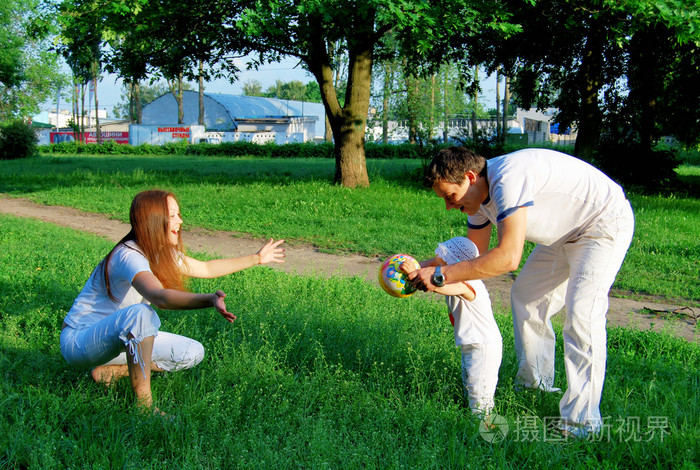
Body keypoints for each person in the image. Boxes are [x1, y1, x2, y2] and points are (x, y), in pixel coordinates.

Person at [407, 147, 634, 437]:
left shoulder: (507, 179)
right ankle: (534, 386)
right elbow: (473, 255)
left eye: (450, 196)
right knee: (526, 296)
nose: (449, 206)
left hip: (601, 223)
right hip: (565, 234)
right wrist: (419, 267)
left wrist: (439, 275)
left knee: (582, 316)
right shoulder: (479, 199)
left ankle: (583, 423)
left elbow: (507, 258)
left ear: (470, 177)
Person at [59, 189, 285, 413]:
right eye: (174, 215)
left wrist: (256, 258)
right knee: (141, 314)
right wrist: (209, 299)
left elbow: (205, 267)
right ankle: (144, 408)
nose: (181, 221)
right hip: (80, 341)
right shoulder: (128, 255)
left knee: (192, 351)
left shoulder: (158, 253)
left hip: (115, 340)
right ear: (154, 220)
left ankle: (111, 372)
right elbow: (159, 297)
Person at [402, 236, 502, 417]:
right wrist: (409, 265)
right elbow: (429, 267)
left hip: (484, 346)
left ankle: (484, 427)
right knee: (470, 385)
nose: (436, 259)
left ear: (454, 262)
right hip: (472, 344)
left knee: (480, 395)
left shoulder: (469, 284)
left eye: (442, 257)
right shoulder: (455, 275)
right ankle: (472, 421)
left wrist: (414, 274)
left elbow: (436, 285)